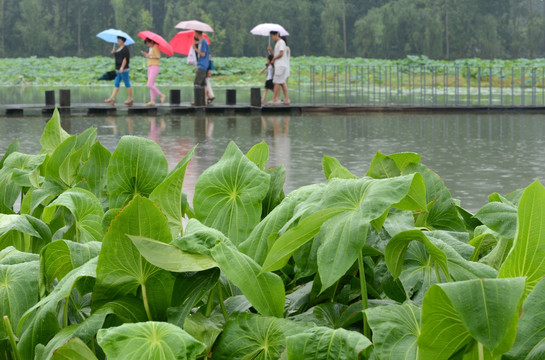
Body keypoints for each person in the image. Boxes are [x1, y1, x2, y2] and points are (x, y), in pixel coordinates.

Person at [104, 36, 133, 106]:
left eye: (119, 40)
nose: (118, 41)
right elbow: (118, 57)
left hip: (124, 70)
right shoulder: (119, 48)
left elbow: (125, 59)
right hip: (117, 69)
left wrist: (122, 68)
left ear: (123, 41)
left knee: (127, 83)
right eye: (118, 40)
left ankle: (130, 98)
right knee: (116, 83)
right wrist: (114, 53)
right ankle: (112, 98)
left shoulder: (125, 49)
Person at [141, 38, 166, 106]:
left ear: (152, 42)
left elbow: (158, 56)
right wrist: (147, 55)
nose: (148, 45)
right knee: (151, 84)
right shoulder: (151, 48)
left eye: (148, 43)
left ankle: (161, 95)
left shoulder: (155, 47)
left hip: (155, 66)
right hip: (150, 66)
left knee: (149, 84)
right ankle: (152, 100)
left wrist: (150, 56)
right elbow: (151, 56)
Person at [267, 31, 290, 105]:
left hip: (280, 65)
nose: (272, 38)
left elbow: (281, 54)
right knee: (282, 82)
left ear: (276, 35)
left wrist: (274, 59)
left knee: (276, 82)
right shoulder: (278, 43)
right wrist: (271, 51)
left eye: (272, 36)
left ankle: (274, 100)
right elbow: (277, 54)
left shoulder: (281, 42)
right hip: (279, 65)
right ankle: (286, 99)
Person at [193, 31, 211, 103]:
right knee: (203, 84)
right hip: (203, 65)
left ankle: (197, 101)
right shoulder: (202, 42)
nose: (194, 35)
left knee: (196, 83)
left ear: (197, 33)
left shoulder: (203, 42)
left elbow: (203, 54)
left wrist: (195, 49)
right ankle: (203, 101)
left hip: (203, 66)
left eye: (195, 33)